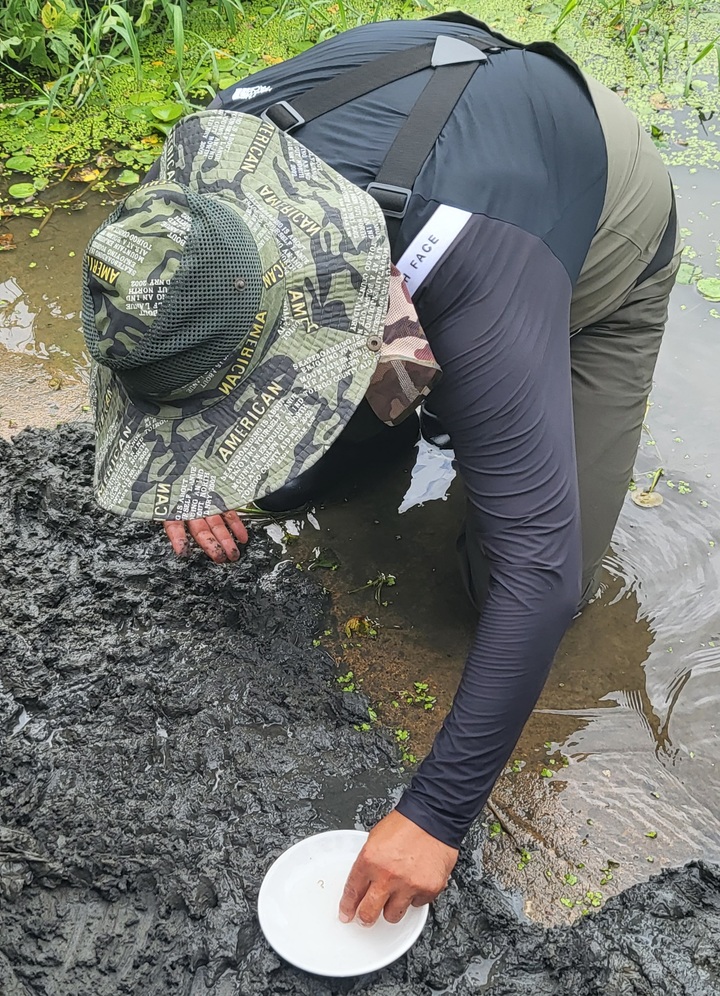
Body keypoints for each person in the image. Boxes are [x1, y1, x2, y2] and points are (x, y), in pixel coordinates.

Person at [81, 12, 679, 930]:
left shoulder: (479, 253)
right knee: (298, 473)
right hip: (424, 185)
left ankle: (462, 392)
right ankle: (411, 412)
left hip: (587, 228)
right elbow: (171, 357)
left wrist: (435, 815)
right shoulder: (182, 216)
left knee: (507, 586)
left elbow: (543, 577)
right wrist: (194, 465)